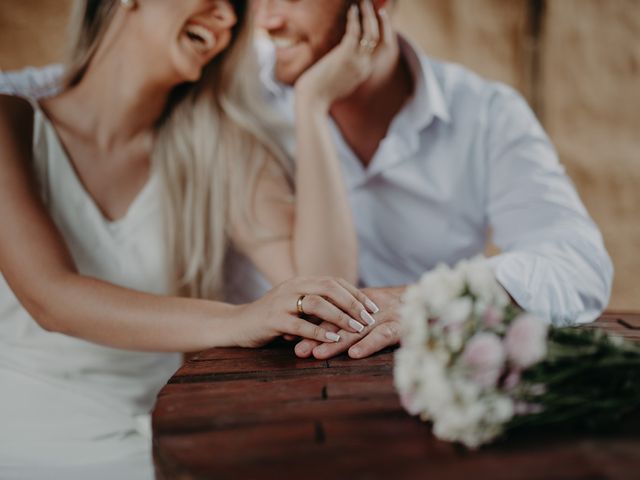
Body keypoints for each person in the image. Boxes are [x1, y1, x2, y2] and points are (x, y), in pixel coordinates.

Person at [0, 0, 380, 477]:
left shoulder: (216, 147)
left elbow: (325, 291)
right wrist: (241, 319)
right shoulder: (9, 121)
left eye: (236, 10)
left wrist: (313, 104)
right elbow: (49, 298)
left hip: (159, 443)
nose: (227, 18)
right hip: (20, 442)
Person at [247, 0, 613, 361]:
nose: (266, 18)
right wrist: (311, 103)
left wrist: (431, 298)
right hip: (265, 375)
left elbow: (578, 265)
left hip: (424, 381)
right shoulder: (242, 100)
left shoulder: (486, 114)